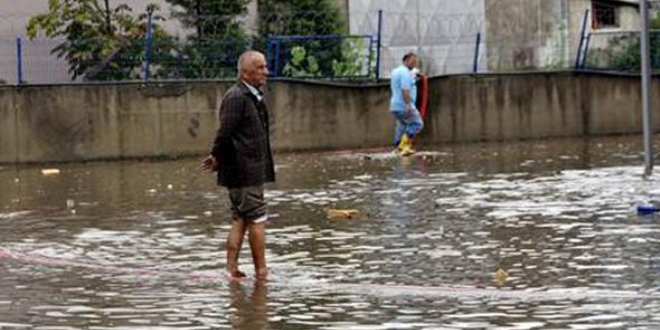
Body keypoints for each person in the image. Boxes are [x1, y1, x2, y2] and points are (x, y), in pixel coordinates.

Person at [202, 50, 275, 281]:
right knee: (256, 218)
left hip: (247, 169)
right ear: (245, 72)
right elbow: (225, 132)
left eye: (265, 66)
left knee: (241, 219)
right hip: (244, 171)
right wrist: (216, 155)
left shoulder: (252, 95)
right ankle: (261, 272)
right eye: (260, 67)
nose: (266, 72)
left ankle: (232, 270)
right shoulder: (237, 97)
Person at [390, 53, 423, 156]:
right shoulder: (405, 73)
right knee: (417, 124)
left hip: (394, 105)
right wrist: (408, 104)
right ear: (406, 60)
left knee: (402, 126)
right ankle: (403, 146)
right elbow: (405, 89)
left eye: (415, 62)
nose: (414, 64)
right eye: (413, 61)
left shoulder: (396, 71)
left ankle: (397, 148)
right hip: (404, 105)